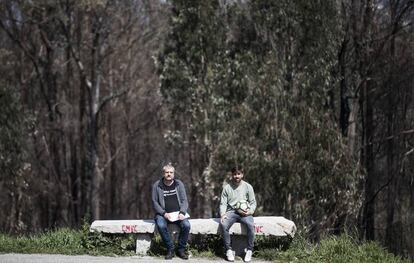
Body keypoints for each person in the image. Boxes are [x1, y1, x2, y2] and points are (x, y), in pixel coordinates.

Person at [152, 164, 191, 260]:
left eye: (171, 172)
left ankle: (181, 249)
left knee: (186, 225)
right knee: (161, 225)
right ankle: (171, 249)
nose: (169, 174)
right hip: (162, 214)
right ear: (163, 173)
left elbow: (184, 200)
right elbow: (154, 202)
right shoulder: (157, 185)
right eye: (167, 172)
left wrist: (182, 212)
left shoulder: (179, 184)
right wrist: (164, 213)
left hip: (178, 213)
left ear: (174, 174)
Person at [219, 166, 257, 262]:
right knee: (223, 225)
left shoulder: (248, 187)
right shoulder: (227, 188)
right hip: (231, 212)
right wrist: (223, 214)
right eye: (235, 174)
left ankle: (249, 250)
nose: (237, 176)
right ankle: (228, 250)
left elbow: (253, 202)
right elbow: (223, 203)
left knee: (251, 225)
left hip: (245, 212)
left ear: (242, 175)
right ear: (232, 175)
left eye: (239, 174)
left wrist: (250, 211)